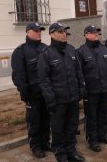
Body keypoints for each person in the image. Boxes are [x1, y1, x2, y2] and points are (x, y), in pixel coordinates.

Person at [38, 22, 85, 162]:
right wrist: (50, 100)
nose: (64, 34)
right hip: (58, 100)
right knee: (58, 129)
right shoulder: (46, 54)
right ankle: (61, 154)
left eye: (65, 31)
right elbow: (44, 80)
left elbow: (79, 72)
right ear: (52, 34)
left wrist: (81, 89)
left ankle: (71, 151)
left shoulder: (72, 51)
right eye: (60, 32)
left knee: (72, 127)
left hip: (72, 98)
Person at [11, 23, 50, 158]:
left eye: (40, 30)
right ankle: (35, 146)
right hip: (32, 95)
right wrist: (25, 93)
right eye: (36, 30)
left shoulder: (45, 48)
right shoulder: (20, 51)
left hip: (46, 93)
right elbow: (18, 76)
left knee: (46, 119)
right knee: (34, 121)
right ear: (28, 32)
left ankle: (45, 142)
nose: (39, 32)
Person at [77, 25, 107, 152]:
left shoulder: (104, 49)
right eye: (93, 33)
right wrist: (83, 89)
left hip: (104, 89)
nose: (96, 35)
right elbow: (79, 73)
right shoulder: (81, 51)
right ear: (86, 35)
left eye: (97, 32)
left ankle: (103, 135)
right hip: (91, 91)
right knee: (91, 116)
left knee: (103, 114)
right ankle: (92, 140)